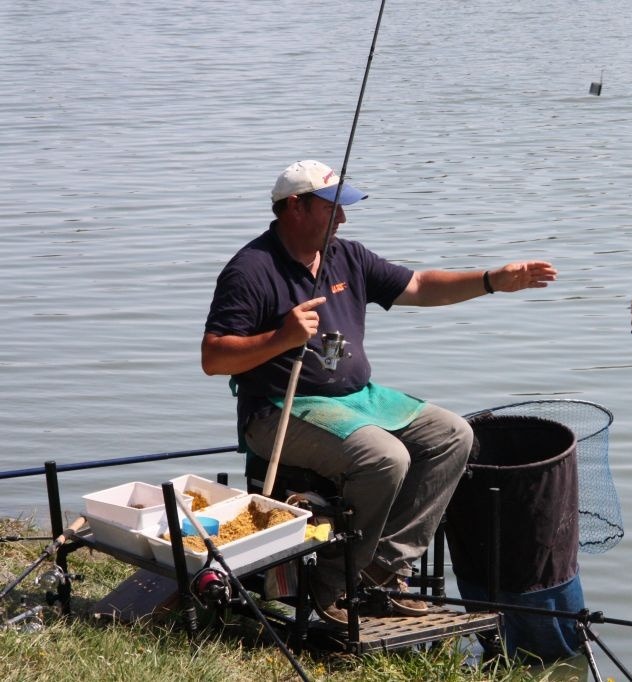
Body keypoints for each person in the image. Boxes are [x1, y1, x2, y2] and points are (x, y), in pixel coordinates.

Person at [201, 159, 557, 627]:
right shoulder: (251, 269)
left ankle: (381, 569)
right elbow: (214, 357)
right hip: (278, 411)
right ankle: (328, 586)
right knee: (386, 457)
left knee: (453, 434)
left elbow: (420, 285)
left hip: (356, 398)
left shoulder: (347, 257)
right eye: (332, 209)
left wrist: (492, 280)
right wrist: (281, 339)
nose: (343, 220)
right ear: (294, 207)